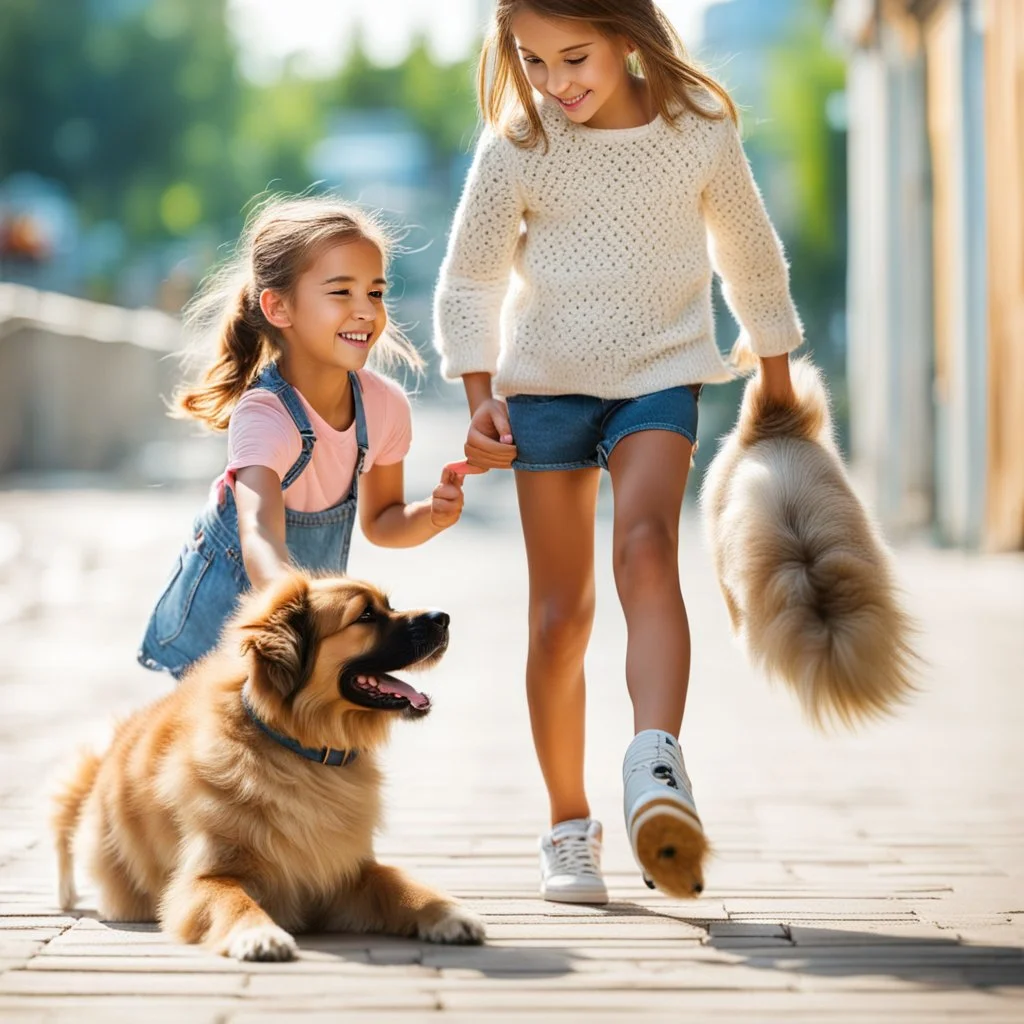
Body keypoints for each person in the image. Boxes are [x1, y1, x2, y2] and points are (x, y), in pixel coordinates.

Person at [433, 0, 803, 903]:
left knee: (646, 549)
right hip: (546, 391)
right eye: (533, 61)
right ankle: (568, 825)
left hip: (662, 374)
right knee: (560, 618)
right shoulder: (520, 145)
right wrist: (480, 399)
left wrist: (781, 381)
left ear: (628, 35)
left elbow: (748, 255)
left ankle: (655, 769)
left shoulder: (698, 130)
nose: (557, 85)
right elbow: (471, 279)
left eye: (576, 58)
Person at [140, 196, 466, 679]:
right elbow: (259, 533)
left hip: (301, 631)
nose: (365, 311)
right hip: (224, 624)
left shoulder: (384, 407)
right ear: (278, 307)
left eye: (375, 293)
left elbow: (382, 520)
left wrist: (430, 517)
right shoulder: (266, 415)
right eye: (341, 292)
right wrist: (300, 605)